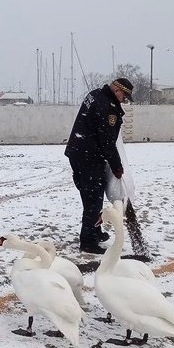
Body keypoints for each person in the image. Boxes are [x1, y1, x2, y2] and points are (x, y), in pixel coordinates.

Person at [64, 77, 133, 253]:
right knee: (93, 199)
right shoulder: (108, 108)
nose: (124, 101)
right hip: (89, 156)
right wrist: (117, 167)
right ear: (117, 90)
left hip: (78, 152)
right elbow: (107, 141)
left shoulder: (95, 95)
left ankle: (95, 230)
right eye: (124, 96)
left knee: (92, 195)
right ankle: (88, 242)